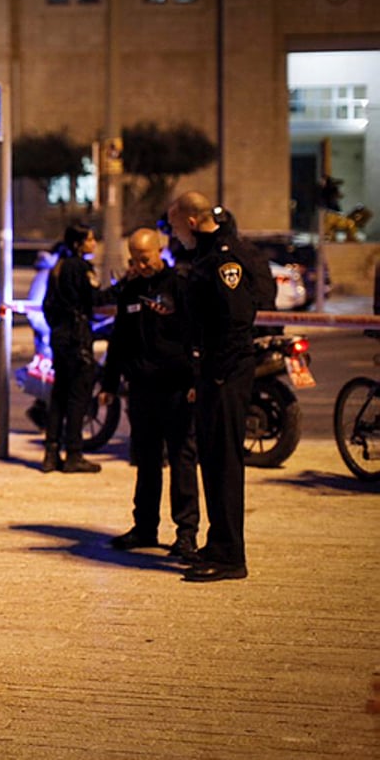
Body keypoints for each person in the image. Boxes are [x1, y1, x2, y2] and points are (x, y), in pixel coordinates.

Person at [168, 191, 257, 582]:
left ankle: (229, 556)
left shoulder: (222, 257)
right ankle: (218, 542)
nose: (174, 235)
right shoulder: (205, 255)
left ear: (190, 220)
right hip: (212, 376)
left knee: (224, 464)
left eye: (174, 226)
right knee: (213, 462)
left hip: (226, 375)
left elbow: (237, 320)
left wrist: (217, 374)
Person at [98, 228, 200, 561]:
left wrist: (194, 381)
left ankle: (186, 533)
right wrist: (110, 384)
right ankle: (144, 527)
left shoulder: (180, 287)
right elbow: (120, 340)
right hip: (141, 390)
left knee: (182, 461)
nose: (141, 265)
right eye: (135, 259)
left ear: (159, 252)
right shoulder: (131, 291)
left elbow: (195, 338)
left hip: (176, 389)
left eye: (146, 258)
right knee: (146, 462)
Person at [40, 222, 112, 474]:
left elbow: (47, 305)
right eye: (90, 239)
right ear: (78, 244)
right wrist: (120, 287)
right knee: (78, 397)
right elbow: (95, 300)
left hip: (60, 338)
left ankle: (51, 452)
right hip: (77, 339)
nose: (94, 244)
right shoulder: (81, 268)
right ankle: (73, 453)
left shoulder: (57, 268)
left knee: (59, 396)